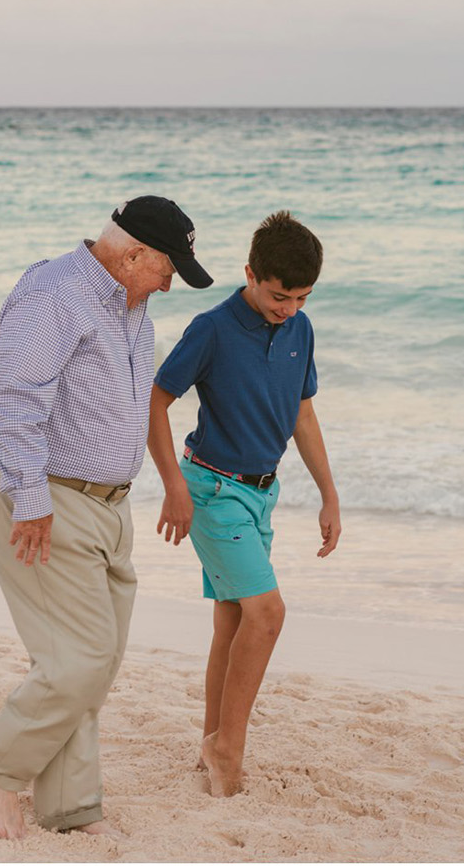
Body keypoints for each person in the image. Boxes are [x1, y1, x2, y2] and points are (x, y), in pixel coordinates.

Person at [0, 196, 213, 841]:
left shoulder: (132, 308)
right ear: (132, 255)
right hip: (48, 497)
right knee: (80, 658)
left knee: (94, 663)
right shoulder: (60, 294)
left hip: (107, 506)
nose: (169, 283)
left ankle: (70, 808)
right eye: (166, 269)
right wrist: (32, 498)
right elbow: (12, 400)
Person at [146, 210, 342, 797]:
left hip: (262, 496)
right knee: (268, 613)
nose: (290, 309)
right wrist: (173, 487)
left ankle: (212, 740)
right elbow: (155, 401)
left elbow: (303, 414)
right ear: (251, 273)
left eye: (303, 298)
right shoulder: (212, 328)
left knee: (233, 620)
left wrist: (329, 494)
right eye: (281, 296)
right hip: (211, 491)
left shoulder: (300, 330)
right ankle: (228, 749)